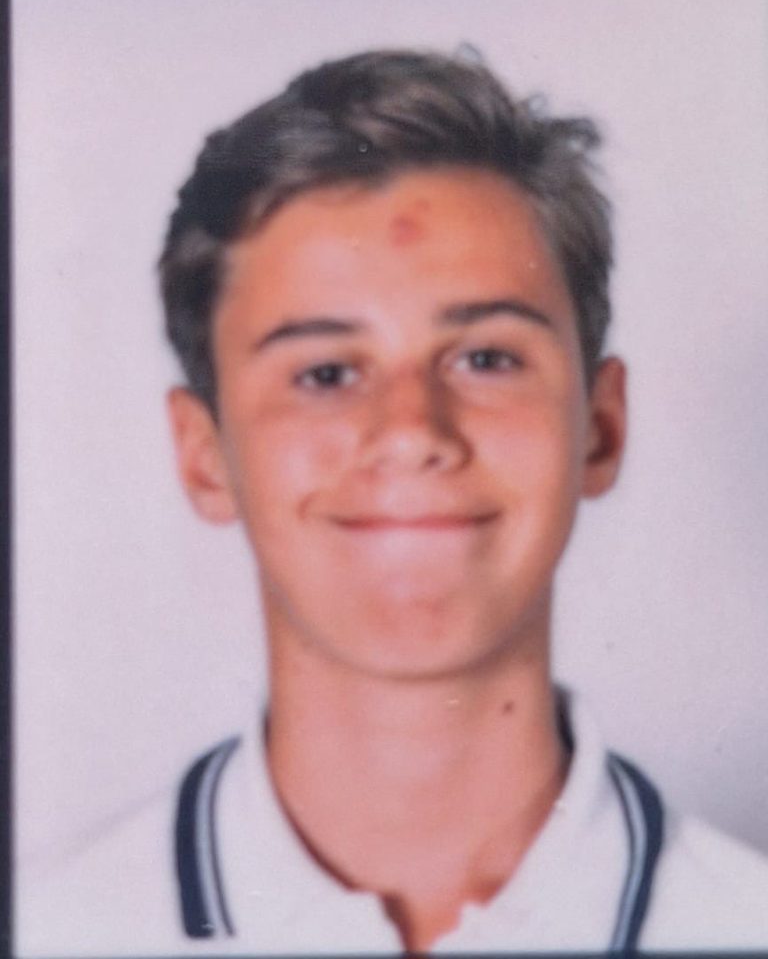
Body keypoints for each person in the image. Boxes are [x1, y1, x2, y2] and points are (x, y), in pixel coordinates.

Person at [17, 48, 768, 957]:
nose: (411, 430)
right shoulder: (55, 932)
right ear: (204, 454)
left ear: (600, 428)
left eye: (486, 357)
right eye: (326, 372)